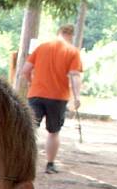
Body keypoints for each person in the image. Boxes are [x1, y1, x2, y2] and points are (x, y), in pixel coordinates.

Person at [19, 23, 83, 175]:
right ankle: (50, 164)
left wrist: (30, 82)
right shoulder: (72, 52)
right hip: (58, 97)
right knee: (53, 132)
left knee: (30, 129)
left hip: (36, 94)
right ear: (71, 35)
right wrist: (77, 97)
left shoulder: (42, 47)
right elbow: (75, 76)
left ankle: (22, 163)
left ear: (58, 32)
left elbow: (25, 70)